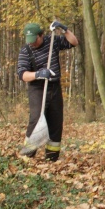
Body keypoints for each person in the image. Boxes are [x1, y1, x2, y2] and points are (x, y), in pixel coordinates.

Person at [17, 21, 79, 161]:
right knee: (36, 118)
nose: (31, 43)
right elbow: (22, 74)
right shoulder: (26, 50)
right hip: (37, 88)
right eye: (29, 41)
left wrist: (64, 29)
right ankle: (27, 155)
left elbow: (74, 42)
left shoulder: (52, 41)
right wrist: (38, 74)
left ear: (41, 35)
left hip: (54, 87)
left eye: (34, 40)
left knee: (56, 122)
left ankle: (52, 157)